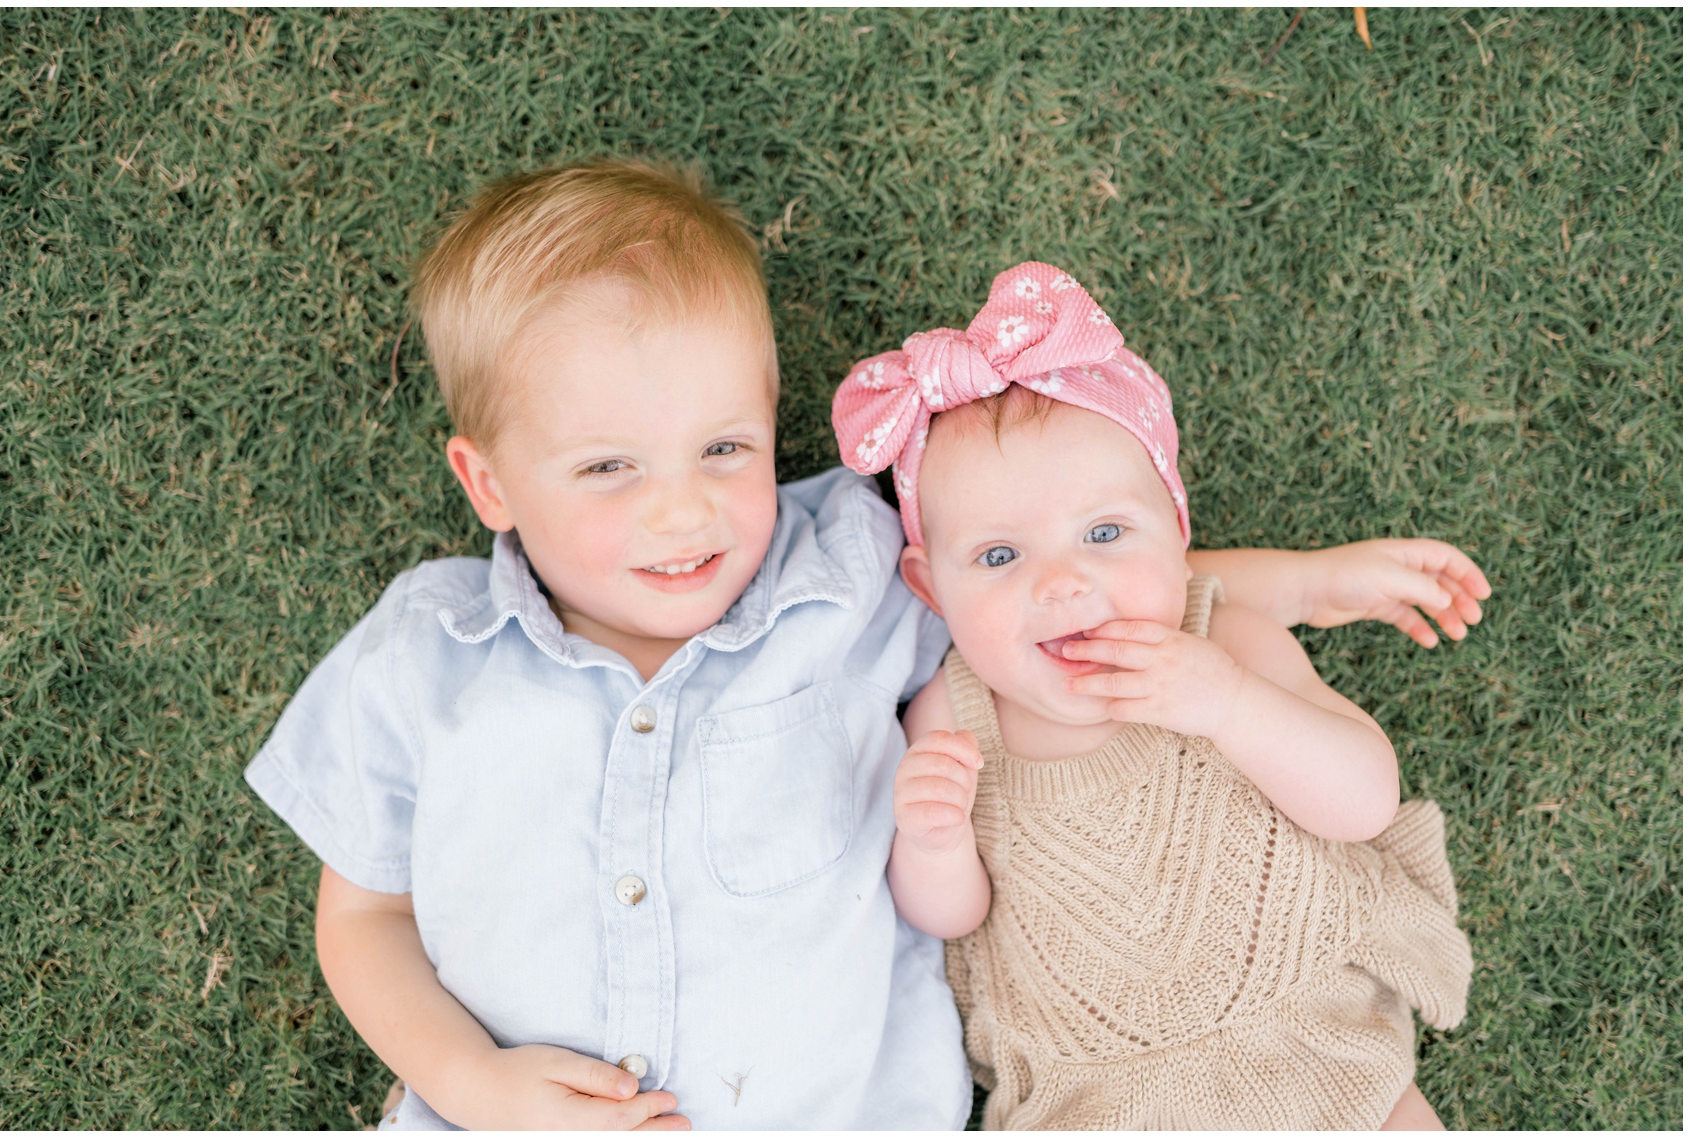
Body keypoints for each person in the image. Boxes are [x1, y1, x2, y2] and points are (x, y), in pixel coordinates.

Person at [247, 164, 1489, 1130]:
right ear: (489, 482)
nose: (681, 511)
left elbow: (1053, 582)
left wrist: (1308, 585)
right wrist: (477, 1082)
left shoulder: (845, 575)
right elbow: (363, 919)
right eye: (608, 467)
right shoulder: (424, 656)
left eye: (723, 449)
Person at [834, 261, 1481, 1130]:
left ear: (1177, 532)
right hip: (1098, 1085)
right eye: (998, 557)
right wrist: (933, 840)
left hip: (1300, 1024)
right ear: (928, 586)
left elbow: (1364, 800)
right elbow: (954, 919)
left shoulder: (1224, 644)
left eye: (1105, 534)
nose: (1062, 585)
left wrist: (1233, 706)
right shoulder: (952, 719)